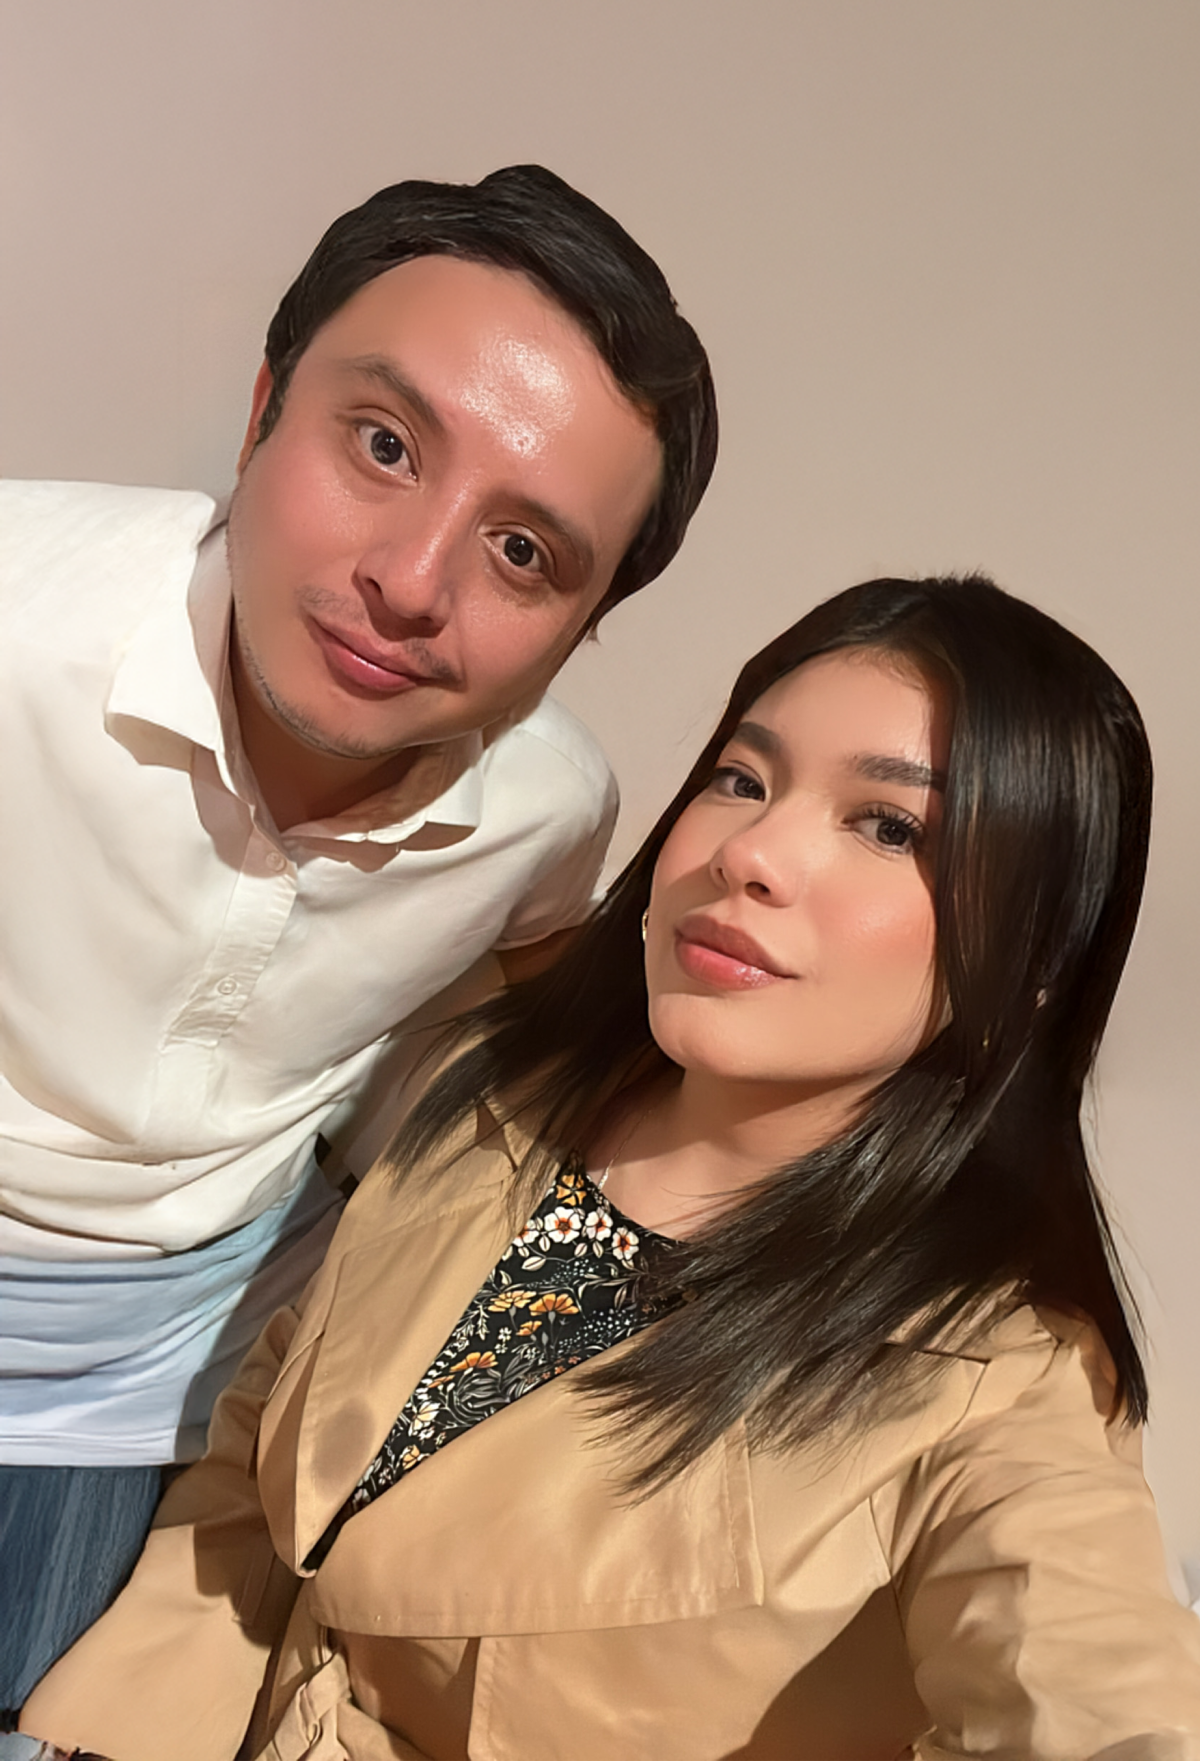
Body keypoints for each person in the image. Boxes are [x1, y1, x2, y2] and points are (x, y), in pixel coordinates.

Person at [23, 572, 1200, 1758]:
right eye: (741, 779)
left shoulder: (1004, 1377)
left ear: (1033, 958)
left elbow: (1096, 1693)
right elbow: (270, 1446)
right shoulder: (500, 1091)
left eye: (890, 827)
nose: (750, 854)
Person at [0, 165, 717, 1727]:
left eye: (525, 553)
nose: (411, 583)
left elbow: (529, 1073)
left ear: (586, 624)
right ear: (264, 409)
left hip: (172, 1376)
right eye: (385, 446)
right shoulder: (17, 615)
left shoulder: (546, 811)